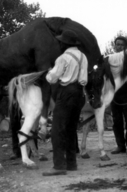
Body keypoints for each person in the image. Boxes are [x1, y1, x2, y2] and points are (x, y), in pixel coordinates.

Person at [42, 30, 88, 176]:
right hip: (79, 93)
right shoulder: (83, 57)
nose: (59, 43)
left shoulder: (63, 58)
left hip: (66, 92)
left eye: (61, 42)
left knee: (57, 130)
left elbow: (53, 79)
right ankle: (71, 164)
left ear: (65, 43)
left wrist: (48, 73)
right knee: (70, 129)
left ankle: (59, 166)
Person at [110, 36, 127, 155]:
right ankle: (120, 146)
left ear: (125, 47)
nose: (119, 46)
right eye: (117, 44)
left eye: (121, 44)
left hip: (126, 92)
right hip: (113, 93)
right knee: (117, 121)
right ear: (114, 46)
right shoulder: (109, 59)